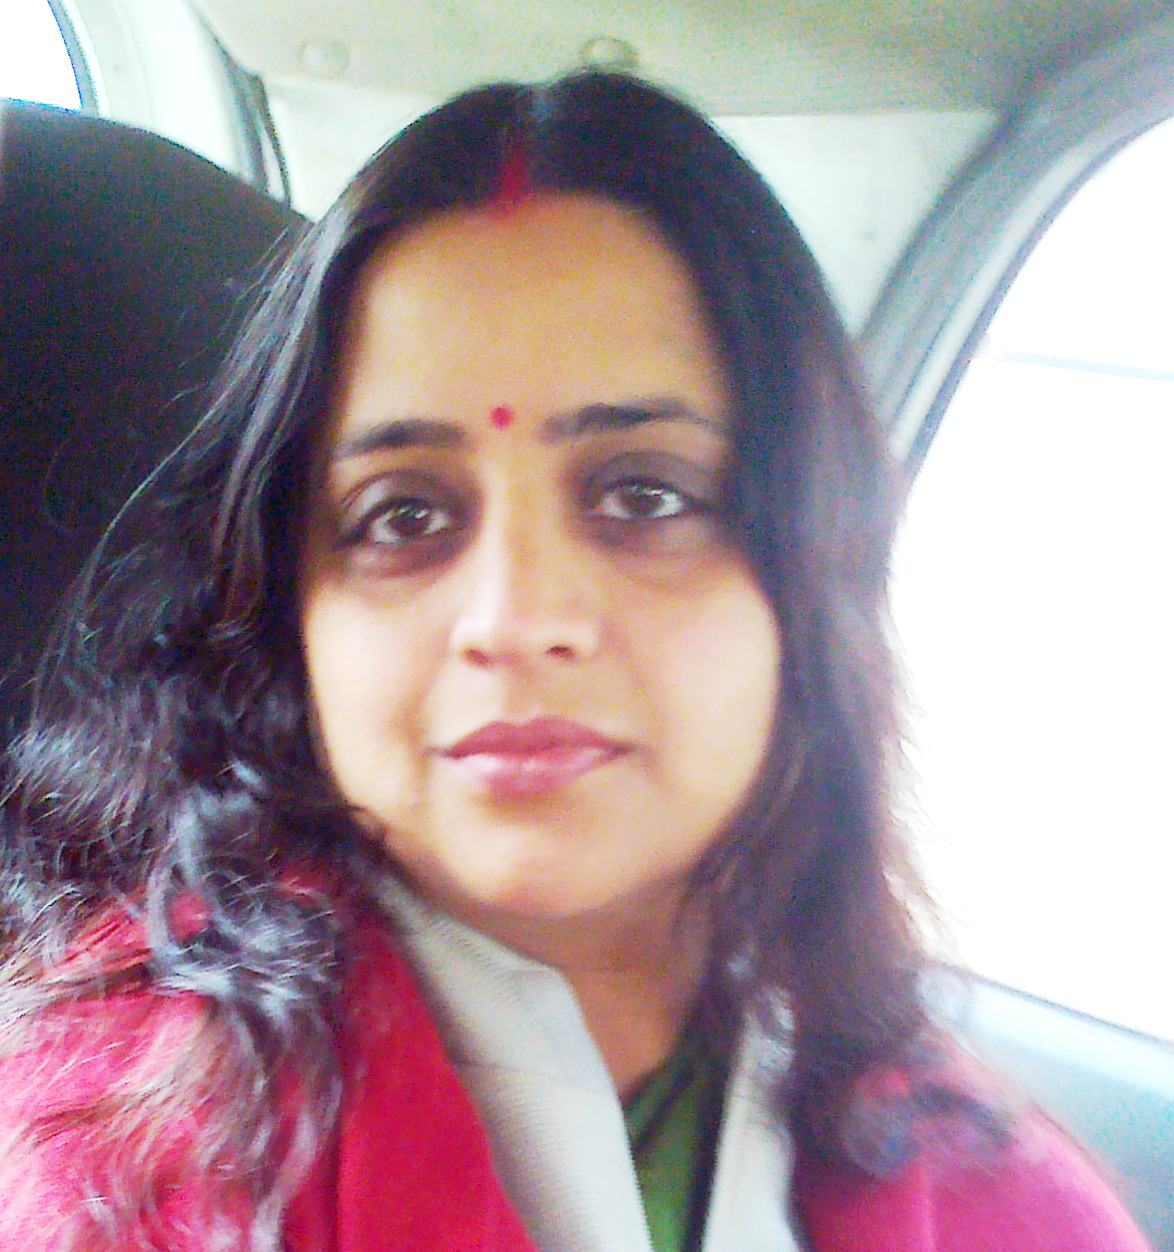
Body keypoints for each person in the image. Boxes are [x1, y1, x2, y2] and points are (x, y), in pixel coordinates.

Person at [0, 71, 1150, 1252]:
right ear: (291, 612)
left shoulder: (996, 1194)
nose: (512, 618)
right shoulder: (111, 1159)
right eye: (403, 515)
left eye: (642, 495)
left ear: (808, 579)